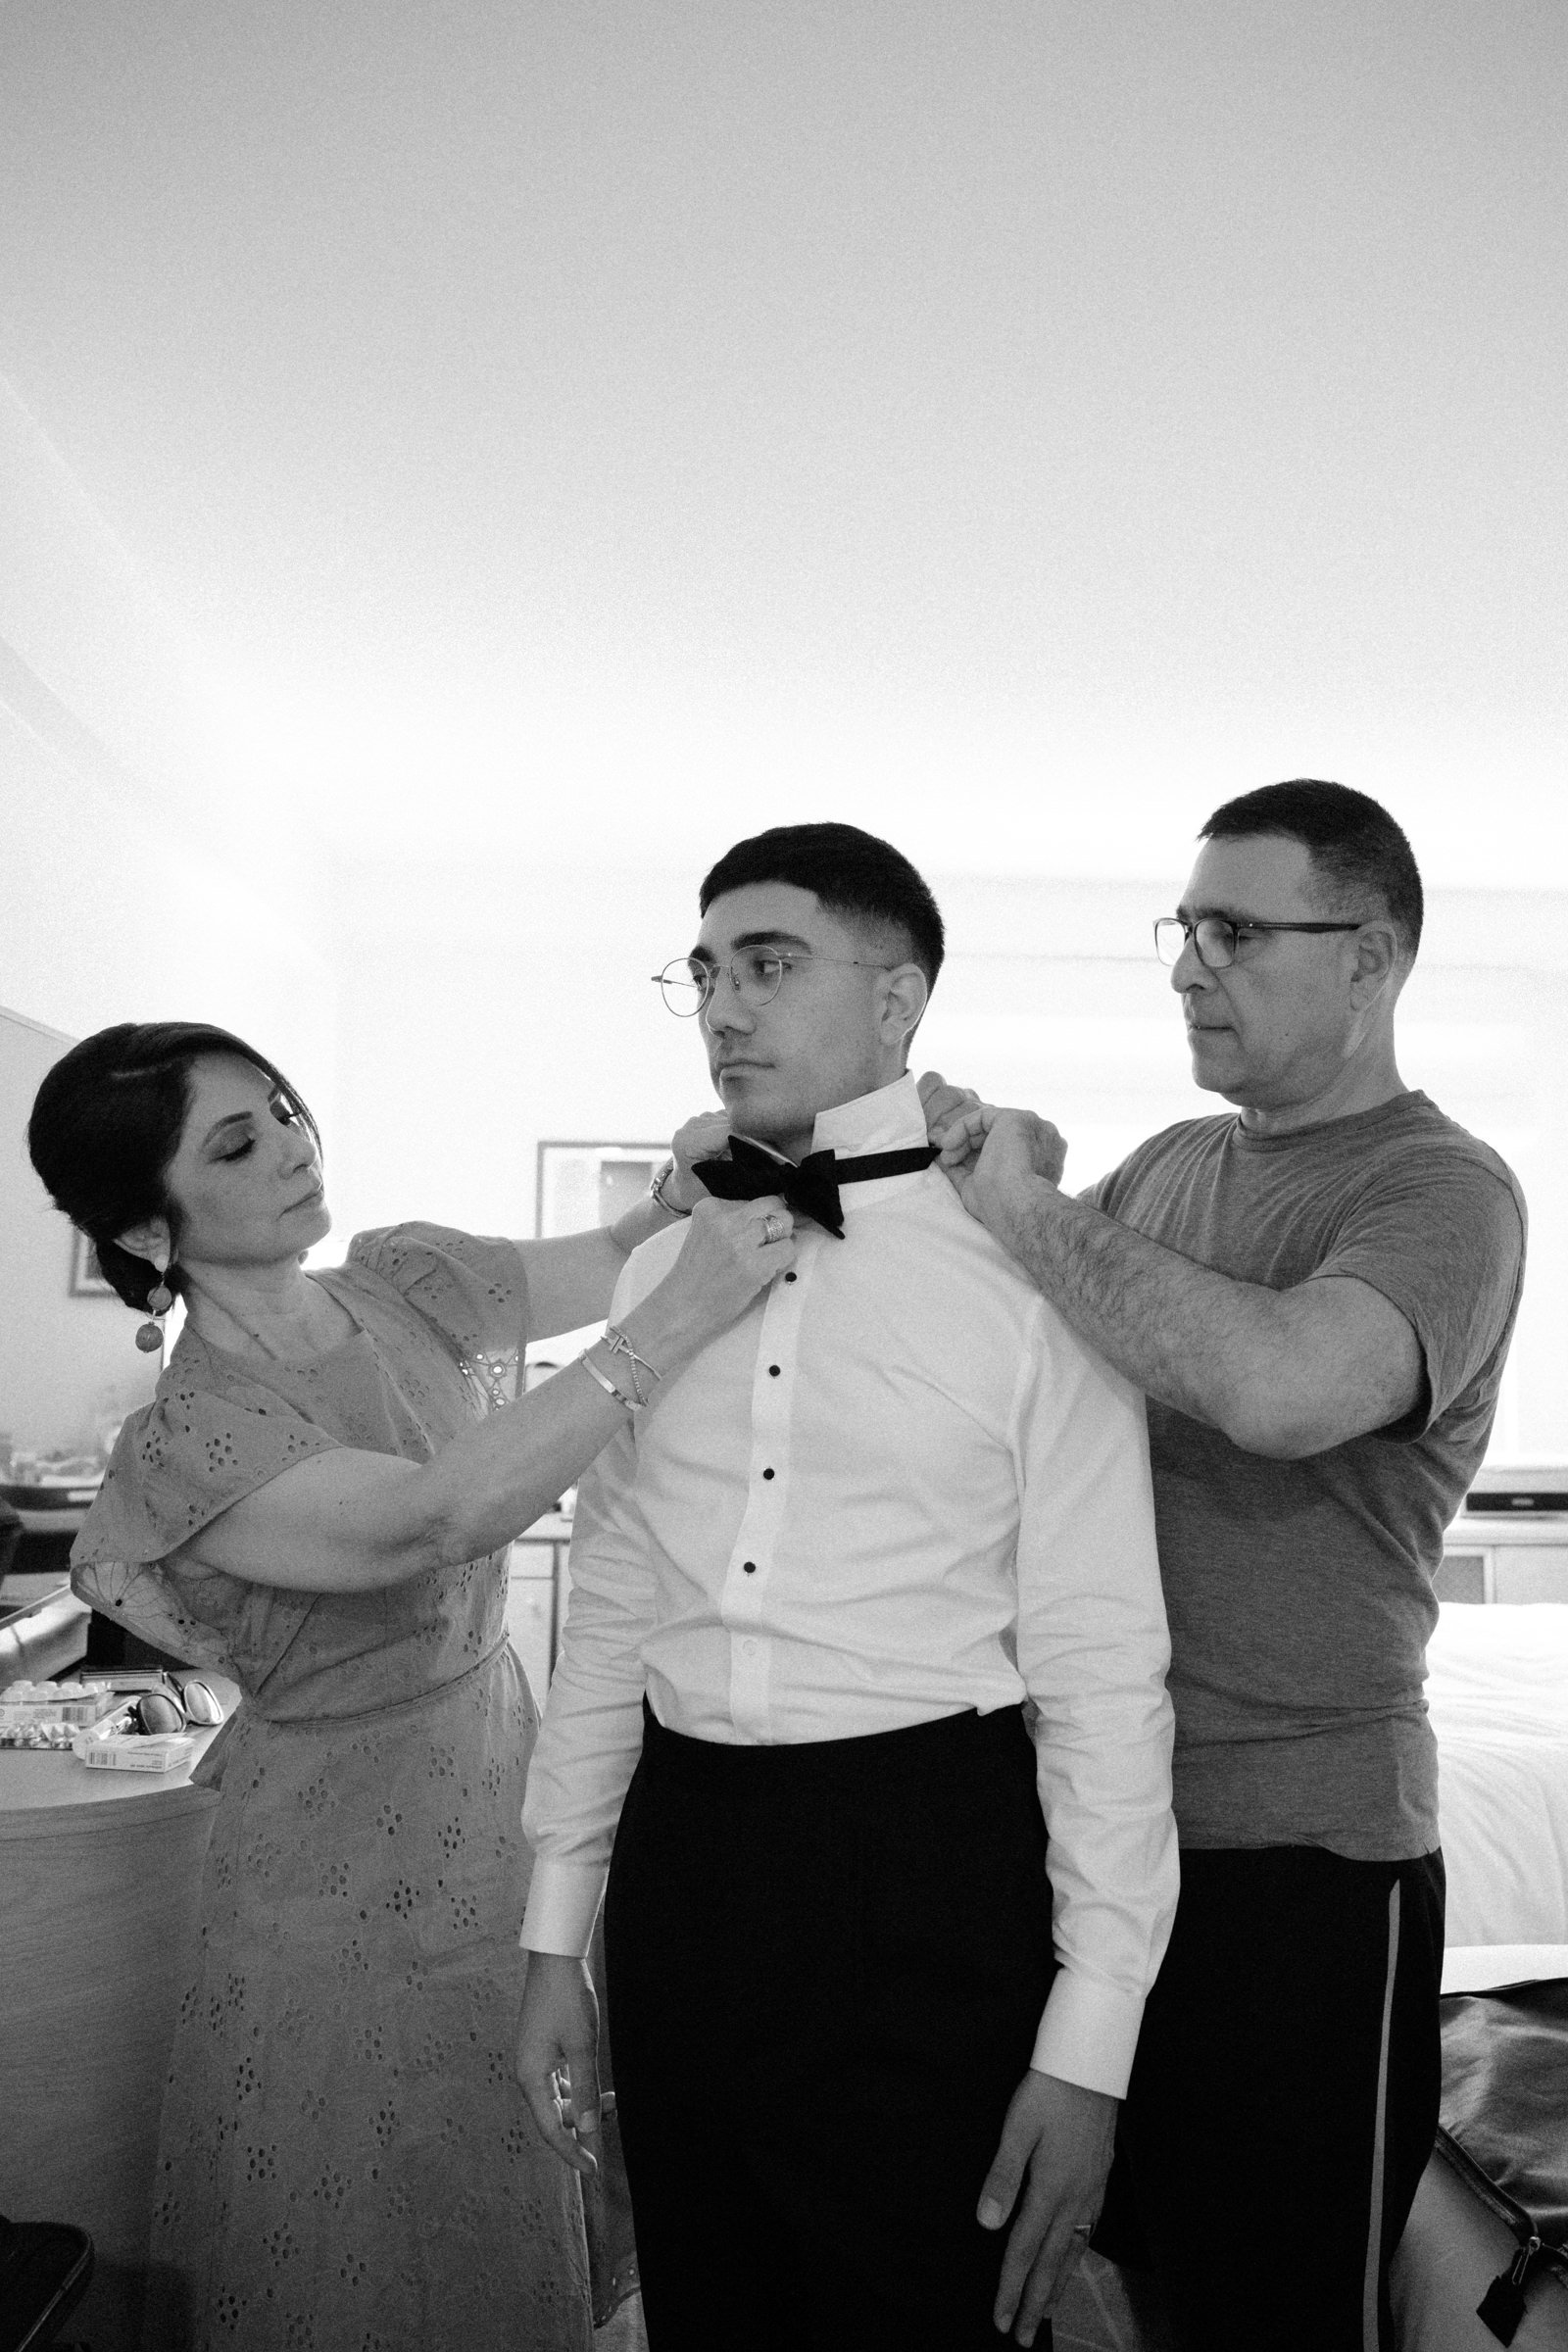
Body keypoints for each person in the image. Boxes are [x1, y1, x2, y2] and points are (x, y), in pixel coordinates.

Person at [26, 1018, 799, 2352]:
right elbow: (431, 1519)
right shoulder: (192, 1440)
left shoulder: (407, 1280)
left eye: (281, 1108)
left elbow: (613, 1261)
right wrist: (672, 1323)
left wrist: (686, 1189)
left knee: (507, 2147)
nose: (292, 1146)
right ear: (150, 1228)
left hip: (495, 1782)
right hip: (329, 1863)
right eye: (236, 1140)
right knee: (372, 2202)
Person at [514, 823, 1178, 2352]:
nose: (723, 1008)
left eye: (769, 963)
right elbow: (609, 1602)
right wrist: (558, 1931)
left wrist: (1093, 2038)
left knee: (918, 2314)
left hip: (926, 1866)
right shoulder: (650, 1279)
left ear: (899, 998)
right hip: (681, 1868)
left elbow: (1099, 1661)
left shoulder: (1031, 1277)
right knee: (708, 2300)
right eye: (704, 973)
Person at [932, 782, 1528, 2352]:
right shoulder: (1173, 1163)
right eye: (1185, 930)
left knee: (1265, 2314)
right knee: (1080, 2275)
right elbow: (1035, 1369)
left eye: (1238, 931)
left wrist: (1028, 1211)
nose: (1191, 966)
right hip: (1096, 1838)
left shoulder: (1444, 1193)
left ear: (1372, 956)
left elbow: (1280, 1389)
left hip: (1305, 1873)